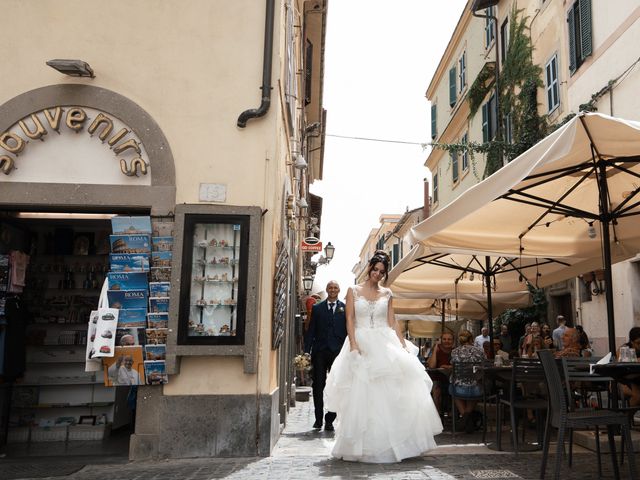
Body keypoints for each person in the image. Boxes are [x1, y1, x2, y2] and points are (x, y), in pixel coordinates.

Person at [324, 250, 442, 463]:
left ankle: (394, 443)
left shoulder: (387, 293)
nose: (377, 274)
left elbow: (392, 321)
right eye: (375, 269)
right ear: (369, 267)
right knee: (361, 394)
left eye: (382, 272)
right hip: (360, 341)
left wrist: (402, 344)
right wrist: (353, 343)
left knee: (389, 394)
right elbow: (349, 318)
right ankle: (361, 445)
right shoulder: (353, 290)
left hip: (384, 342)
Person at [304, 280, 347, 431]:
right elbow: (311, 331)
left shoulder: (346, 308)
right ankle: (318, 419)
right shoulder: (317, 308)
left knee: (336, 386)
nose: (333, 290)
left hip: (338, 352)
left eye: (335, 287)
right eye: (330, 287)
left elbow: (349, 331)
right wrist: (306, 351)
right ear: (327, 290)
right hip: (320, 351)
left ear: (339, 290)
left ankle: (330, 419)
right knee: (318, 385)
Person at [450, 330, 485, 433]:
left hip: (458, 389)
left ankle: (465, 419)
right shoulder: (480, 351)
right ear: (471, 339)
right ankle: (466, 419)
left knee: (452, 388)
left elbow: (452, 365)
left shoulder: (454, 352)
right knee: (477, 385)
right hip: (476, 389)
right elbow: (484, 365)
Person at [427, 331, 454, 415]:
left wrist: (450, 367)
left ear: (453, 341)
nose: (447, 341)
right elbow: (431, 366)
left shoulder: (455, 351)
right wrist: (435, 348)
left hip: (452, 379)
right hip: (437, 378)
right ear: (441, 340)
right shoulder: (436, 350)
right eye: (444, 339)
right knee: (436, 388)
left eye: (449, 339)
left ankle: (454, 414)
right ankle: (437, 415)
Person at [617, 327, 640, 406]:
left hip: (636, 379)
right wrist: (636, 360)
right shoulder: (624, 349)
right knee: (638, 396)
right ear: (632, 342)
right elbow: (621, 367)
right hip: (623, 381)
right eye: (638, 343)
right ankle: (627, 416)